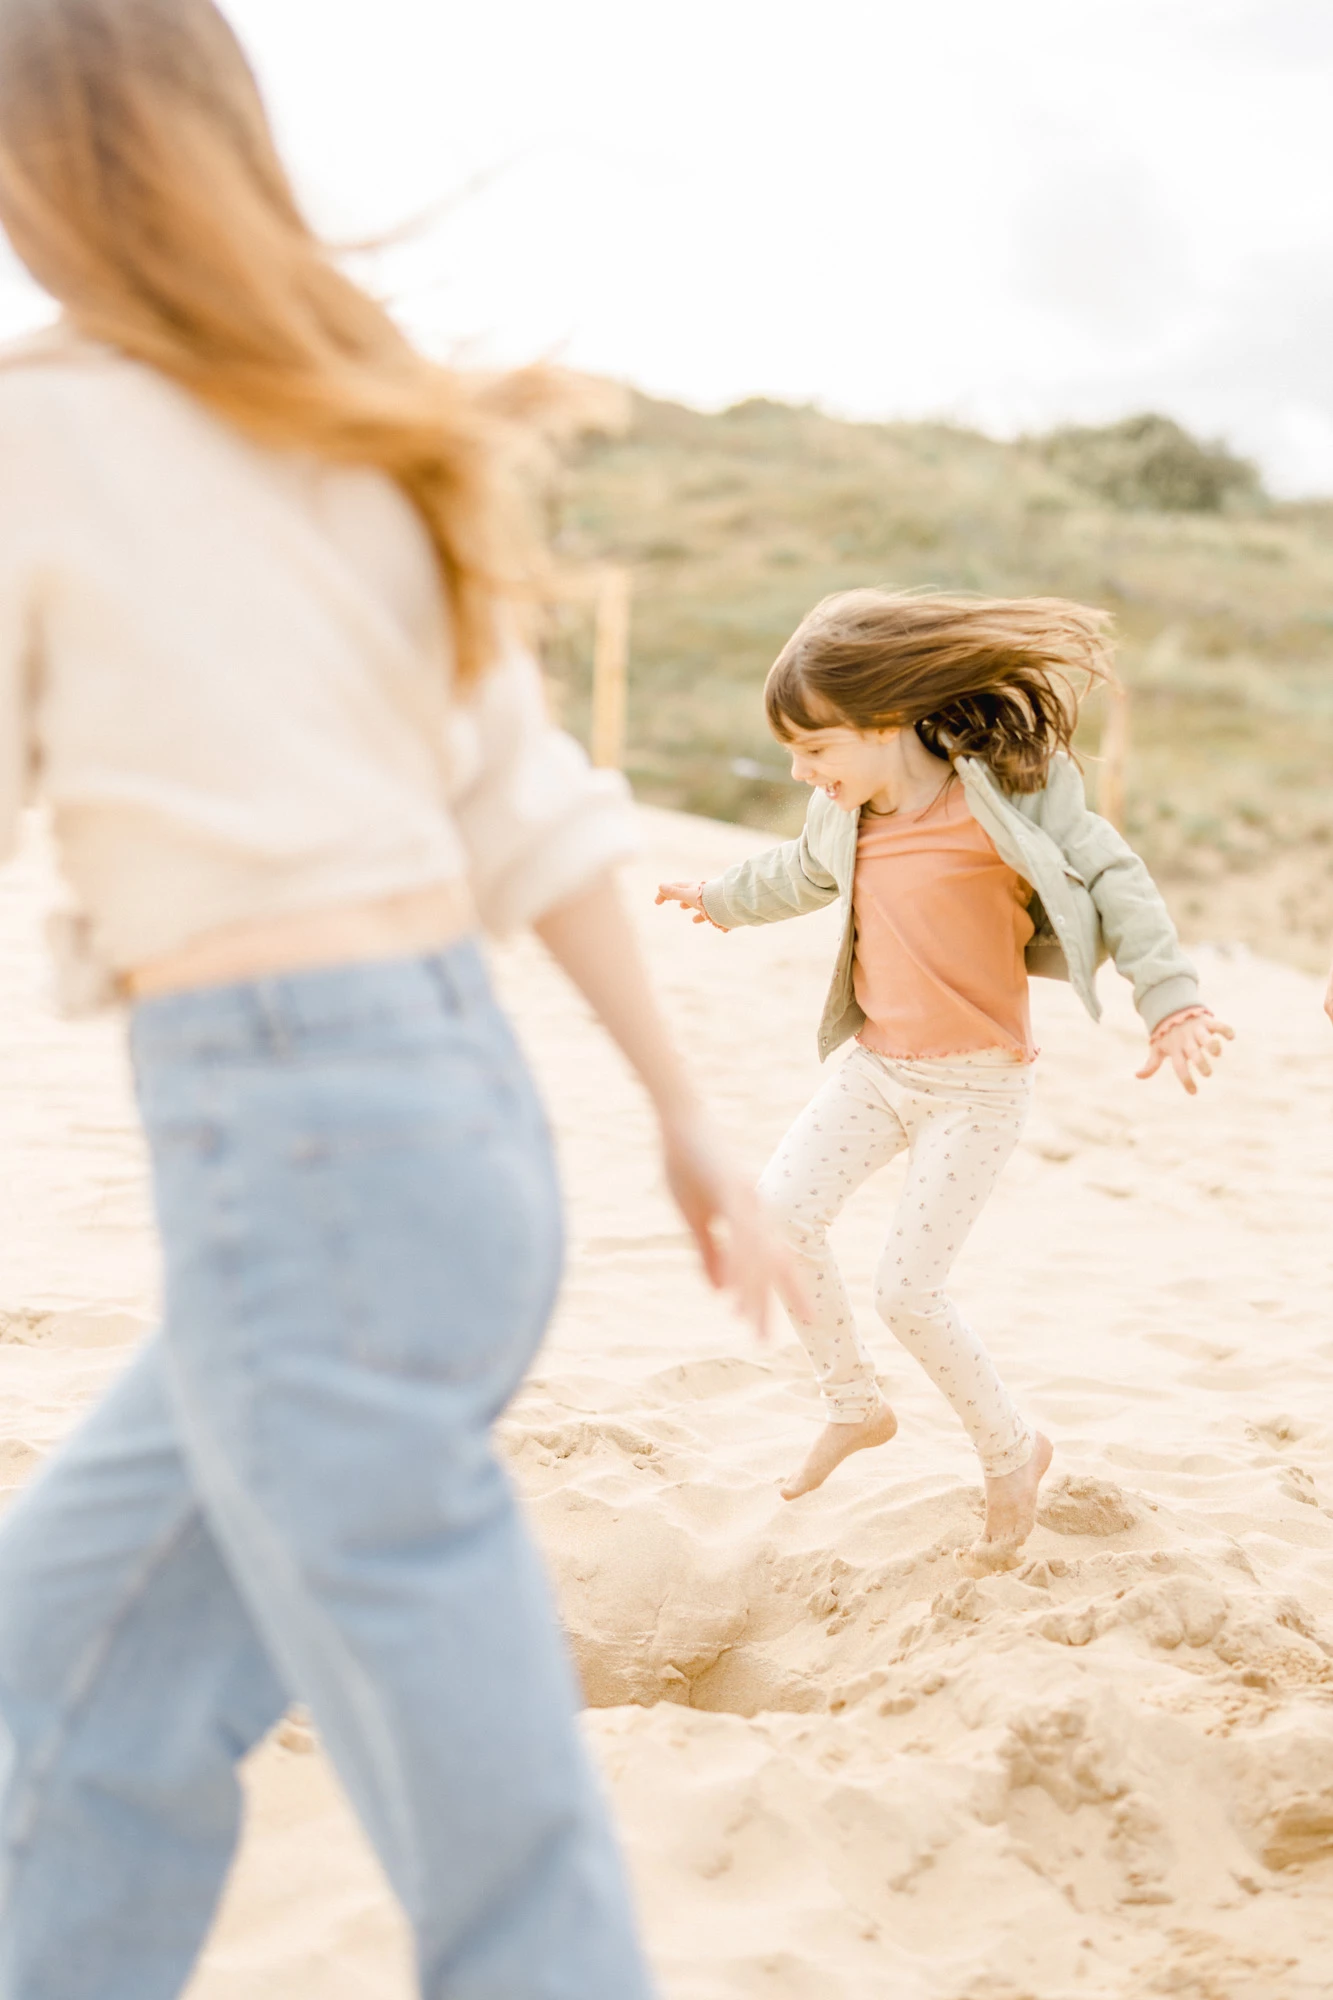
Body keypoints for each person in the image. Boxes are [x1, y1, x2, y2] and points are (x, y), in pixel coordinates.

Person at [0, 5, 790, 1996]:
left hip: (297, 1154)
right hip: (457, 1135)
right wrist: (687, 1113)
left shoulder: (38, 439)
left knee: (496, 1852)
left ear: (46, 166)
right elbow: (530, 811)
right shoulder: (346, 420)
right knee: (66, 1678)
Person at [659, 589, 1232, 1571]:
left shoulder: (1008, 794)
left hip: (977, 1088)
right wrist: (718, 897)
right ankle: (856, 1404)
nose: (803, 772)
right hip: (875, 1069)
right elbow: (799, 872)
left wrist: (1169, 999)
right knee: (777, 1216)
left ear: (884, 721)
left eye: (815, 749)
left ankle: (1013, 1452)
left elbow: (1116, 878)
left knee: (907, 1291)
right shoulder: (841, 811)